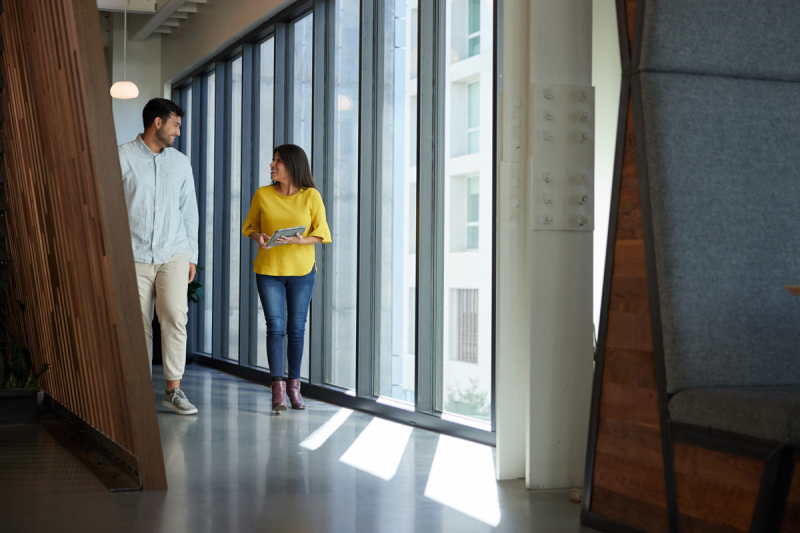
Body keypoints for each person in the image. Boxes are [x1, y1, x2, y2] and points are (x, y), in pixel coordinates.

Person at [118, 98, 199, 416]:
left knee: (175, 318)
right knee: (138, 325)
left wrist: (191, 254)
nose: (178, 132)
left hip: (173, 252)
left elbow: (189, 211)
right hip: (134, 253)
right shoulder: (122, 157)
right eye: (175, 124)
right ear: (157, 123)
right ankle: (137, 391)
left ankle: (173, 390)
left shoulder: (180, 163)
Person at [242, 144, 331, 413]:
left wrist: (301, 240)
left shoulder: (311, 196)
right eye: (273, 160)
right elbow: (250, 228)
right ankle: (277, 388)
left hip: (302, 271)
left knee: (297, 328)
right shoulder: (263, 194)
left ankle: (295, 387)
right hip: (269, 270)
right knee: (275, 327)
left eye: (278, 161)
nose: (272, 164)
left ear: (292, 165)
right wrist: (260, 237)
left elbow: (322, 233)